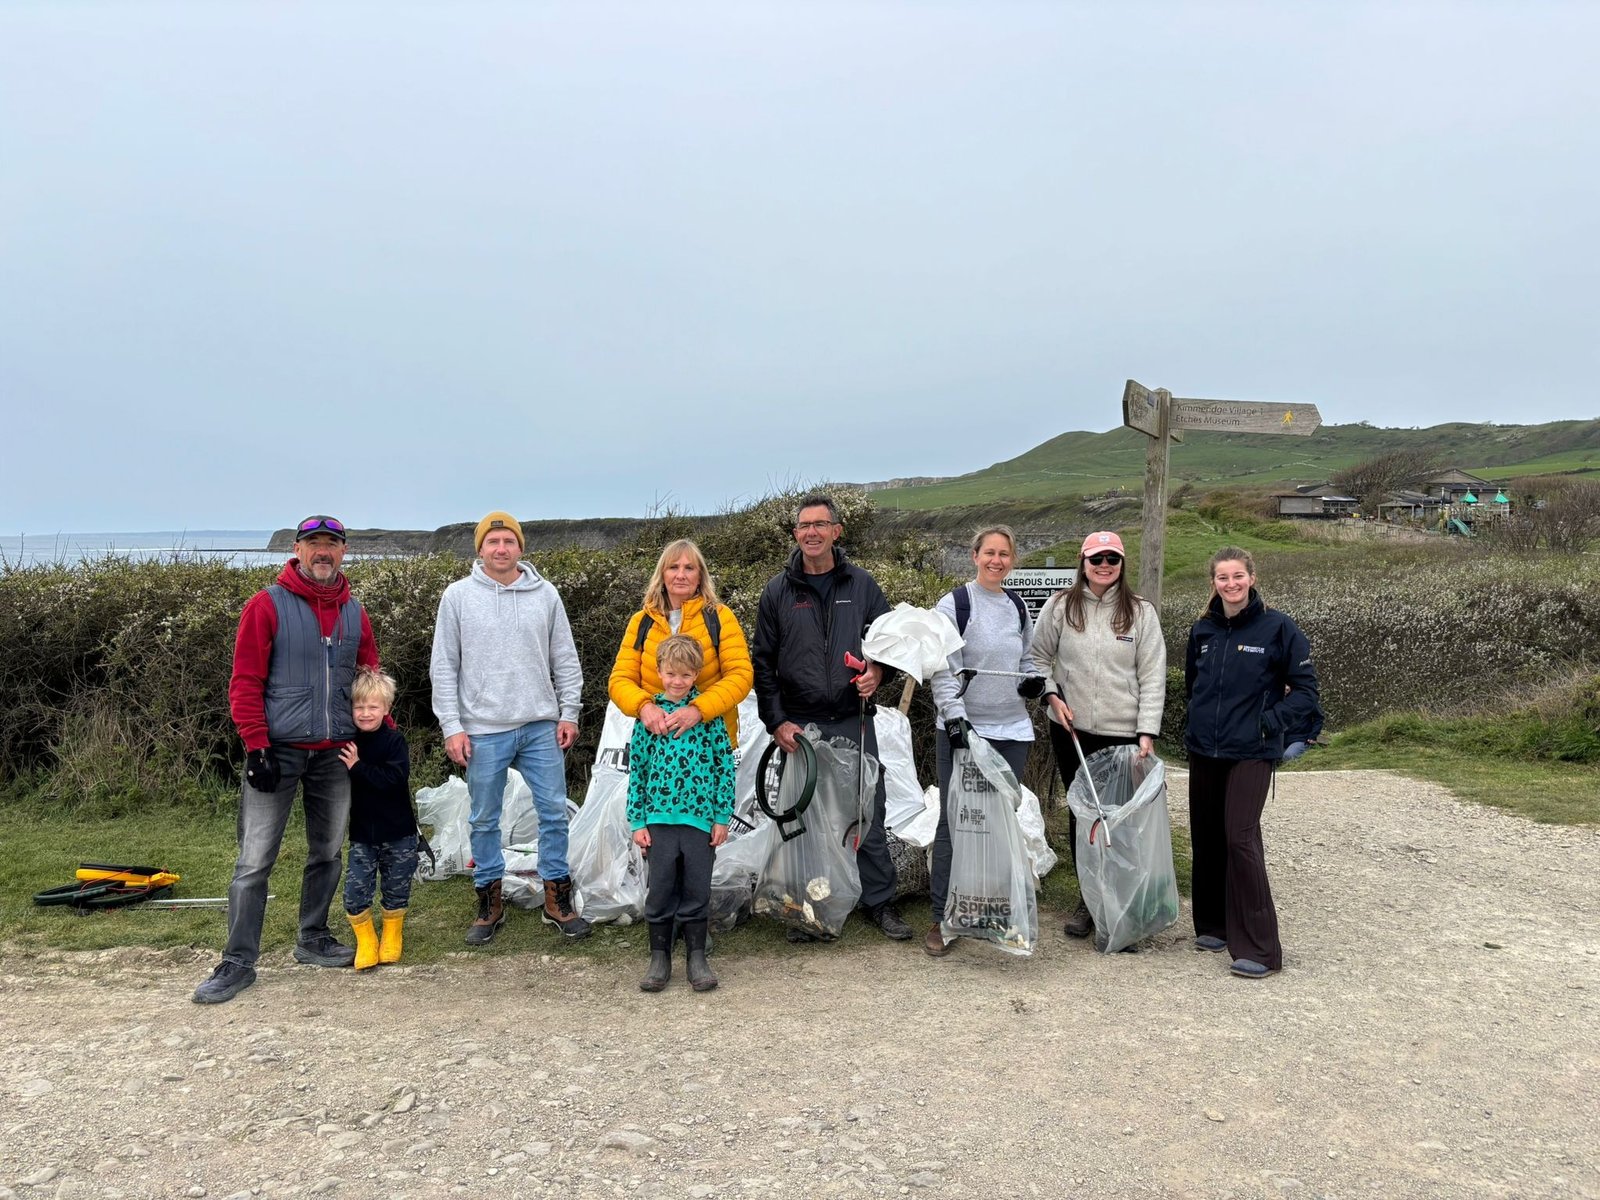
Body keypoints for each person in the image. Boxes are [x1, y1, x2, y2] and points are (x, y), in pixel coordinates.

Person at [193, 514, 380, 1005]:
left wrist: (381, 737)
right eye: (314, 543)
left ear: (343, 553)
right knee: (254, 861)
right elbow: (245, 681)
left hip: (336, 753)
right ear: (297, 549)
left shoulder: (355, 612)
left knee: (328, 852)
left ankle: (312, 937)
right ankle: (237, 961)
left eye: (332, 545)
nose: (323, 552)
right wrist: (255, 746)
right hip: (275, 753)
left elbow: (369, 681)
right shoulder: (266, 605)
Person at [751, 493, 912, 942]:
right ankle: (806, 906)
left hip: (852, 717)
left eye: (821, 524)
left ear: (837, 531)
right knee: (802, 819)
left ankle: (879, 902)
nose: (812, 532)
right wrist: (776, 721)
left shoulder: (861, 585)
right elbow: (762, 664)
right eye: (804, 525)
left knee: (866, 813)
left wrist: (878, 672)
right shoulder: (777, 591)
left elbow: (890, 643)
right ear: (796, 533)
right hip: (799, 725)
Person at [430, 511, 589, 944]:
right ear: (480, 549)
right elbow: (444, 666)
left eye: (509, 541)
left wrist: (568, 712)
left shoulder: (546, 594)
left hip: (540, 723)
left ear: (521, 547)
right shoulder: (458, 596)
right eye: (492, 541)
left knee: (554, 813)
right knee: (484, 819)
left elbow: (565, 659)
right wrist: (452, 726)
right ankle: (489, 901)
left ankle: (557, 898)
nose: (501, 549)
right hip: (482, 728)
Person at [1184, 545, 1319, 979]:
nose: (1231, 584)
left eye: (1238, 576)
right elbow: (1194, 687)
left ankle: (1261, 948)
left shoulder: (1278, 628)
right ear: (1213, 583)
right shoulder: (1202, 630)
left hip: (1253, 751)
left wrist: (1269, 724)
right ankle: (1214, 925)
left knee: (1240, 838)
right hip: (1205, 748)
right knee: (1206, 836)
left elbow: (1305, 693)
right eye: (1222, 578)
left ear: (1252, 577)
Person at [1027, 530, 1166, 941]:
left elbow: (1153, 675)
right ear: (1082, 562)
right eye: (1096, 558)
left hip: (1123, 734)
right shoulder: (1060, 606)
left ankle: (1121, 902)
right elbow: (1037, 659)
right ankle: (1088, 900)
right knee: (1082, 814)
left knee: (1121, 819)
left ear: (1122, 564)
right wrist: (1051, 696)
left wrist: (1146, 731)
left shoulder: (1140, 612)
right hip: (1072, 731)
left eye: (1112, 559)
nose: (1104, 566)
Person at [925, 525, 1036, 957]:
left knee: (1000, 824)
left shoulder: (1018, 606)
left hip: (1011, 733)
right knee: (955, 823)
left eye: (1004, 554)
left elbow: (1026, 659)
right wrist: (956, 722)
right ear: (974, 556)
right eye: (989, 552)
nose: (996, 561)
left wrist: (1031, 684)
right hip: (964, 731)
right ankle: (941, 918)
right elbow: (942, 667)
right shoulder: (954, 604)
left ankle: (991, 913)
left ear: (1012, 560)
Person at [627, 635, 734, 993]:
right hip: (658, 821)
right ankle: (659, 957)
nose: (677, 681)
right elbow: (637, 770)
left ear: (696, 676)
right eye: (671, 674)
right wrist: (637, 821)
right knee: (659, 889)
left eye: (685, 675)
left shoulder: (707, 718)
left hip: (699, 821)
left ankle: (697, 956)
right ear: (658, 672)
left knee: (696, 888)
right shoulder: (649, 718)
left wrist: (721, 817)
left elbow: (724, 767)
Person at [608, 538, 753, 752]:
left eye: (689, 568)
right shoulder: (641, 622)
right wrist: (644, 707)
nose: (681, 575)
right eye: (673, 567)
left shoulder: (720, 617)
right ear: (662, 575)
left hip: (711, 743)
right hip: (656, 744)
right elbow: (620, 680)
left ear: (700, 576)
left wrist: (698, 710)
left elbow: (741, 676)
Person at [340, 667, 418, 970]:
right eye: (359, 706)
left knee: (396, 888)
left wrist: (358, 768)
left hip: (399, 832)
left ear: (386, 709)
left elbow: (395, 778)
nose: (365, 713)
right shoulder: (348, 742)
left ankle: (392, 934)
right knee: (356, 889)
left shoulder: (394, 741)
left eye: (373, 706)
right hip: (362, 833)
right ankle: (366, 939)